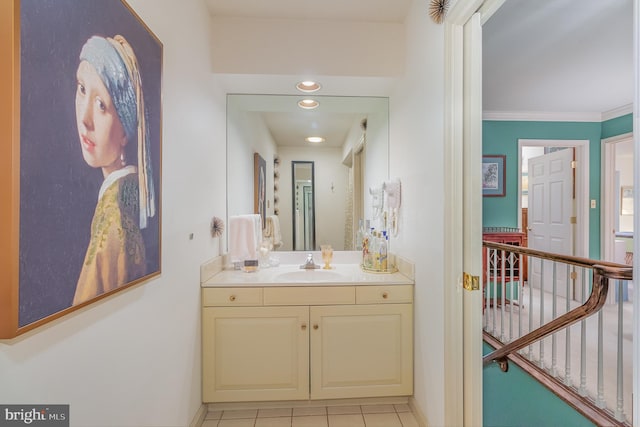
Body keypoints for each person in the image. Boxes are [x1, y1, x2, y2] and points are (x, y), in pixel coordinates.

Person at [72, 35, 155, 305]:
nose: (85, 119)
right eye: (82, 88)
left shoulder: (113, 216)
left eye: (102, 105)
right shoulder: (129, 190)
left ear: (125, 133)